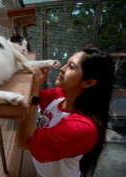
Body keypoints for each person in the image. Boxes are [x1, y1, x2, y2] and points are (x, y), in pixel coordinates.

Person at [16, 46, 115, 177]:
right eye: (67, 63)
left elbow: (23, 142)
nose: (62, 69)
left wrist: (34, 91)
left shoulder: (83, 127)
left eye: (71, 67)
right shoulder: (60, 95)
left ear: (88, 83)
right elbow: (24, 93)